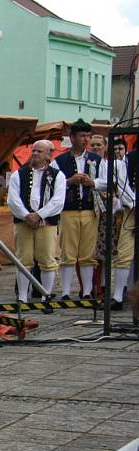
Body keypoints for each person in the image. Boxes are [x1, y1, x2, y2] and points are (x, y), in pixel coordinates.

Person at [51, 119, 106, 300]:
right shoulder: (59, 161)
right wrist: (69, 181)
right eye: (82, 136)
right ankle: (66, 292)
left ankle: (87, 291)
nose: (86, 139)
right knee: (68, 252)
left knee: (87, 253)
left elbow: (107, 182)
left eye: (88, 136)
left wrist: (93, 182)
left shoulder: (97, 160)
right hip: (68, 211)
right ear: (72, 137)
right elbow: (52, 185)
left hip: (90, 211)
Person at [6, 140, 66, 302]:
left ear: (49, 155)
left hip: (46, 224)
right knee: (23, 259)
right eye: (33, 151)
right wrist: (26, 215)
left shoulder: (58, 175)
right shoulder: (19, 174)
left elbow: (58, 201)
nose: (34, 154)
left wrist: (39, 215)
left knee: (47, 259)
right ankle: (23, 297)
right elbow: (13, 199)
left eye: (39, 151)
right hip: (23, 223)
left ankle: (46, 296)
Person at [111, 145, 138, 310]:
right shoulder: (129, 158)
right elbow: (123, 184)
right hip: (131, 210)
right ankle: (118, 296)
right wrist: (134, 203)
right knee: (124, 253)